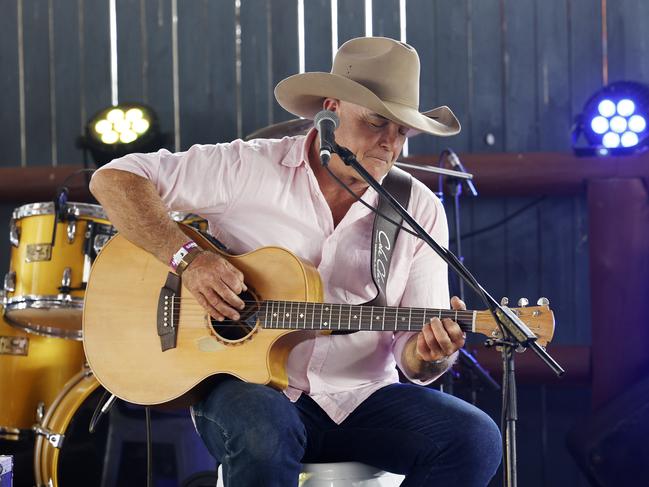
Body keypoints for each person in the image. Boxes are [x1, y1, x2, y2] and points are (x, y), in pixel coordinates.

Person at [90, 36, 502, 486]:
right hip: (249, 390)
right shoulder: (247, 168)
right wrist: (189, 260)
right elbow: (115, 179)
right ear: (331, 109)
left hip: (360, 398)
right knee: (266, 433)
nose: (389, 144)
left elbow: (412, 359)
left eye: (402, 131)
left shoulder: (416, 209)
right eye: (376, 123)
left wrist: (430, 355)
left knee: (475, 438)